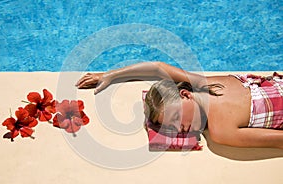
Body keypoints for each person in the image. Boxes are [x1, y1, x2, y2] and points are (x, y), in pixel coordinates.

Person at [76, 61, 283, 149]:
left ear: (185, 95)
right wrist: (110, 75)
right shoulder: (206, 84)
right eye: (170, 127)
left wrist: (108, 74)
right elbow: (158, 68)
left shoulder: (220, 129)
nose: (178, 129)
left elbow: (158, 68)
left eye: (175, 118)